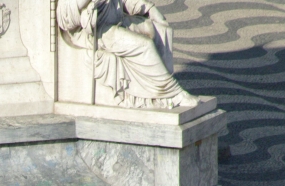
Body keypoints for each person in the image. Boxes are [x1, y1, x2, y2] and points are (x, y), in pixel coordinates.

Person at [56, 0, 198, 109]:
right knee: (144, 45)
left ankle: (157, 96)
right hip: (96, 33)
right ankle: (173, 93)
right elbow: (65, 20)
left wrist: (149, 8)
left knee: (157, 29)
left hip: (116, 21)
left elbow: (124, 1)